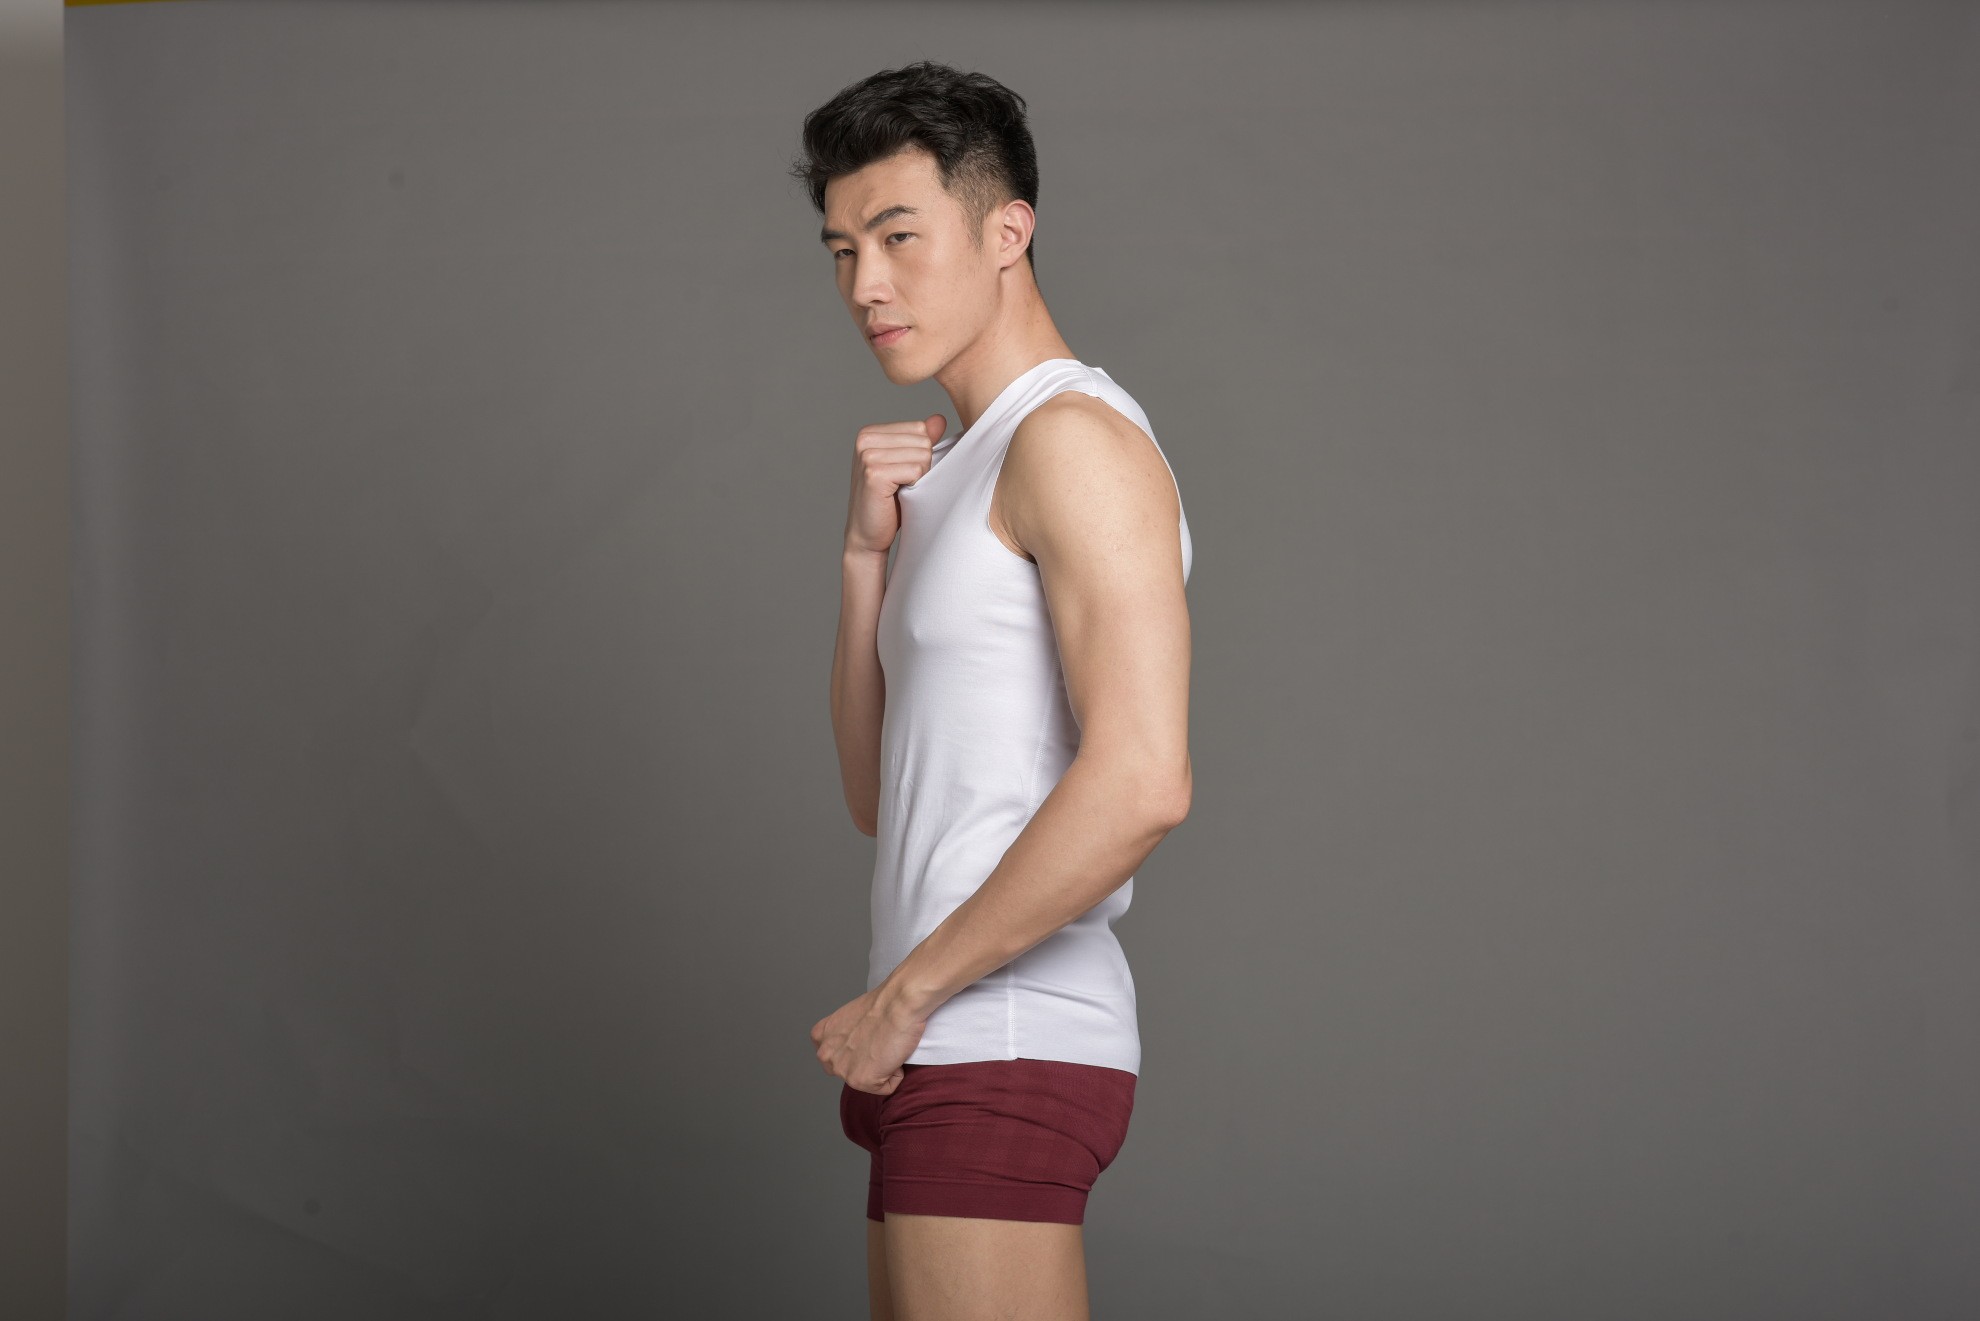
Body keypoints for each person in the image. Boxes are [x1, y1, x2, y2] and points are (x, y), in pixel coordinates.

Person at [793, 60, 1194, 1321]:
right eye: (843, 249)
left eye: (899, 236)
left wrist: (907, 997)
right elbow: (879, 795)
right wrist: (865, 558)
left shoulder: (1070, 440)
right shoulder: (962, 468)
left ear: (1007, 231)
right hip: (936, 1040)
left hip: (1003, 1027)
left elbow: (1144, 780)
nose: (865, 283)